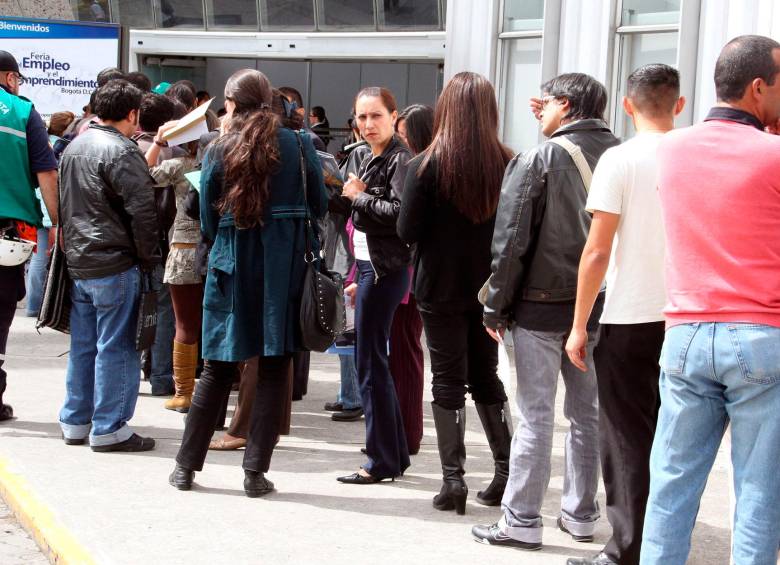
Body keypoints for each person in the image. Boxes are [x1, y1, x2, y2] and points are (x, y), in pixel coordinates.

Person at [640, 35, 780, 565]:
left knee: (671, 486)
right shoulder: (775, 154)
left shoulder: (670, 149)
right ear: (759, 86)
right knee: (759, 491)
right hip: (762, 333)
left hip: (686, 333)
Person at [472, 73, 619, 549]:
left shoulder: (539, 158)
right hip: (600, 306)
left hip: (538, 307)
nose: (540, 112)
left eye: (548, 103)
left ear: (565, 105)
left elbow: (511, 240)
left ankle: (521, 520)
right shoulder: (621, 154)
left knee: (535, 417)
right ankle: (580, 515)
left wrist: (495, 306)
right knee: (587, 416)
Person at [168, 69, 327, 497]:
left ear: (233, 103)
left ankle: (185, 468)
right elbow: (320, 203)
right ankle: (255, 474)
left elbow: (203, 219)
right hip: (283, 268)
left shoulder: (219, 147)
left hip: (232, 266)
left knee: (216, 370)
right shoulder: (298, 143)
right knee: (274, 368)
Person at [562, 65, 685, 565]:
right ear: (678, 105)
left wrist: (577, 325)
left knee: (626, 438)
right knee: (674, 439)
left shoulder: (620, 159)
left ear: (628, 107)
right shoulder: (690, 152)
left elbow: (596, 251)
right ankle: (663, 543)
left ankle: (627, 550)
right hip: (685, 315)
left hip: (630, 315)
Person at [398, 73, 514, 514]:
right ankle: (506, 472)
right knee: (486, 375)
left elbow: (407, 229)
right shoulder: (510, 162)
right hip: (490, 290)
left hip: (439, 285)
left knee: (447, 379)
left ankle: (454, 481)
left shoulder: (424, 166)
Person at [58, 79, 159, 451]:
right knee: (117, 347)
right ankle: (109, 427)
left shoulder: (74, 146)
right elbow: (143, 214)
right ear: (132, 114)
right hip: (115, 262)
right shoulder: (122, 151)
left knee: (85, 347)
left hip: (81, 262)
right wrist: (150, 259)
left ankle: (75, 421)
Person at [336, 87, 412, 485]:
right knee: (372, 363)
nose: (367, 124)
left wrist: (359, 198)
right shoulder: (363, 156)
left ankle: (379, 460)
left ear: (393, 116)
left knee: (369, 363)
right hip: (368, 269)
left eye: (376, 116)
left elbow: (402, 218)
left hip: (386, 270)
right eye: (361, 117)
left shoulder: (402, 160)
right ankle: (392, 455)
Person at [0, 50, 59, 421]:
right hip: (5, 234)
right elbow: (46, 174)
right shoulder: (21, 113)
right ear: (8, 79)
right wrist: (58, 222)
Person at [388, 103, 433, 455]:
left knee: (405, 350)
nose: (398, 140)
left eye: (403, 134)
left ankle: (407, 433)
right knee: (401, 350)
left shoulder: (418, 169)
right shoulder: (414, 167)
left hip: (409, 271)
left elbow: (405, 227)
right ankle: (401, 430)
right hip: (404, 270)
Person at [134, 93, 179, 396]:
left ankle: (134, 369)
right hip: (166, 240)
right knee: (165, 310)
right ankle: (161, 377)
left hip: (132, 241)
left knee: (132, 307)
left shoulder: (128, 149)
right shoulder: (174, 150)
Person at [279, 86, 326, 151]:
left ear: (301, 112)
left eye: (287, 108)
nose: (281, 113)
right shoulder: (274, 138)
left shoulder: (313, 141)